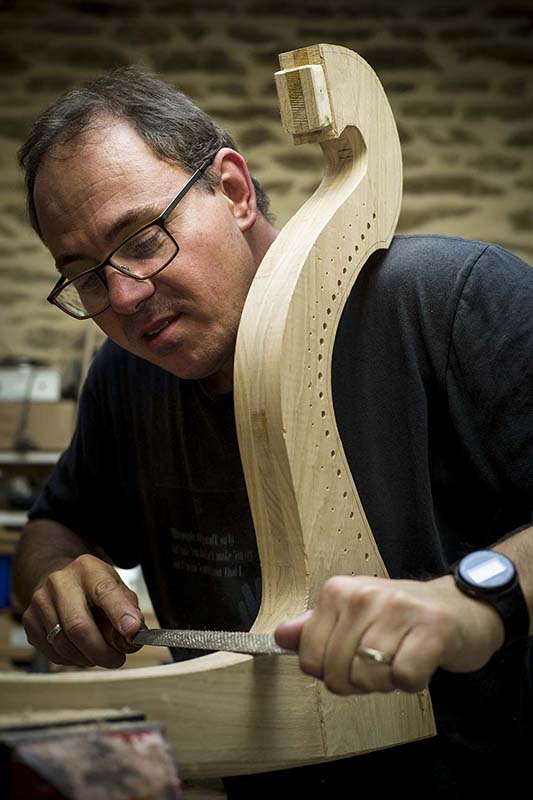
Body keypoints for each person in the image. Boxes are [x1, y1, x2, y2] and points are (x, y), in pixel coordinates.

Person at [12, 67, 533, 797]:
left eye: (141, 237)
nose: (124, 296)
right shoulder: (125, 378)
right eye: (86, 277)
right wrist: (53, 577)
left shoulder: (453, 299)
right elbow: (57, 521)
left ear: (232, 190)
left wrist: (474, 602)